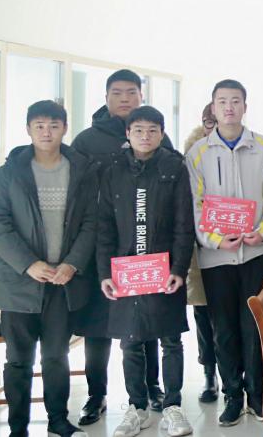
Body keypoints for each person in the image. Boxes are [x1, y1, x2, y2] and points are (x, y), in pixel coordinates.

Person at [0, 100, 98, 437]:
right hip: (19, 284)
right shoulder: (9, 173)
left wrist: (72, 263)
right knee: (18, 360)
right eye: (39, 126)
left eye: (53, 125)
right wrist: (28, 264)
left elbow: (91, 223)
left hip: (62, 282)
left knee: (56, 357)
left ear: (64, 129)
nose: (46, 132)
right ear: (29, 130)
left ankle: (58, 421)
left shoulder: (81, 170)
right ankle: (17, 427)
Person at [71, 69, 172, 425]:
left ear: (141, 96)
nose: (125, 98)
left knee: (147, 321)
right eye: (117, 92)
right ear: (106, 97)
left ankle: (151, 388)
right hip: (102, 245)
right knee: (97, 325)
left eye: (131, 92)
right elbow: (78, 194)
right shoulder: (86, 140)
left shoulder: (155, 135)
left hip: (145, 247)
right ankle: (96, 394)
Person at [186, 79, 263, 427]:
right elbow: (194, 205)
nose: (229, 107)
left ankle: (256, 395)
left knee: (255, 325)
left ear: (245, 106)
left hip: (258, 252)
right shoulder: (197, 153)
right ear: (213, 107)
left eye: (236, 101)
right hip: (216, 257)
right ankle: (231, 394)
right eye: (222, 101)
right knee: (223, 329)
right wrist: (214, 240)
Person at [97, 106, 194, 437]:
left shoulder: (174, 167)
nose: (145, 136)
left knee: (171, 339)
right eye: (138, 130)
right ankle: (137, 408)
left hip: (163, 269)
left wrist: (179, 268)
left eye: (153, 130)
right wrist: (105, 272)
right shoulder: (112, 170)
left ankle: (173, 407)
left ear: (162, 133)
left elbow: (184, 223)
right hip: (126, 270)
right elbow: (104, 226)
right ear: (127, 134)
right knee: (130, 341)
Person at [182, 104, 219, 404]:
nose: (214, 127)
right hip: (199, 245)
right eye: (209, 122)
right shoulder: (190, 154)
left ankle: (238, 374)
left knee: (232, 314)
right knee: (204, 313)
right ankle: (209, 372)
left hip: (236, 243)